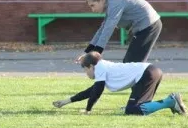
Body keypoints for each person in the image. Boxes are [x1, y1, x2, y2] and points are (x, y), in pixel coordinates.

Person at [54, 51, 186, 116]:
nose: (86, 73)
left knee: (131, 110)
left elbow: (96, 92)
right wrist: (67, 101)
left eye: (84, 69)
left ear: (89, 66)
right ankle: (174, 105)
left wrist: (88, 110)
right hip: (152, 70)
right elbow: (92, 91)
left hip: (147, 73)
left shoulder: (99, 67)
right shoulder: (103, 67)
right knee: (137, 107)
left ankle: (170, 101)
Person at [75, 0, 162, 64]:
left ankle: (149, 79)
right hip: (144, 27)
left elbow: (108, 30)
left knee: (132, 63)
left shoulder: (114, 3)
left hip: (150, 26)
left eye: (92, 5)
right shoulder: (110, 3)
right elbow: (101, 31)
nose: (92, 10)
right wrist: (87, 52)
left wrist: (95, 55)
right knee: (129, 62)